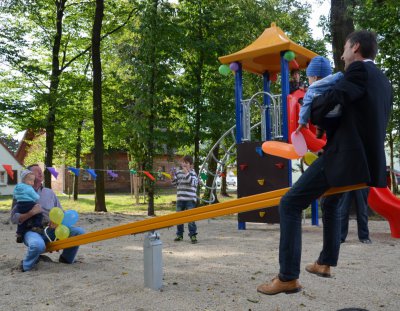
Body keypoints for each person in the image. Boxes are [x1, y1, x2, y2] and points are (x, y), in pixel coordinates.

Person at [257, 30, 392, 295]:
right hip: (364, 163)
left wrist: (314, 110)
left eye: (344, 47)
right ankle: (324, 263)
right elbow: (353, 115)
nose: (342, 53)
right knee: (330, 201)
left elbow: (332, 100)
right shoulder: (384, 81)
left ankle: (287, 277)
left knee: (290, 202)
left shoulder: (357, 73)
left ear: (355, 48)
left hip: (345, 157)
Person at [11, 164, 85, 272]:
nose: (41, 173)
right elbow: (13, 218)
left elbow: (61, 213)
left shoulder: (49, 192)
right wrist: (30, 213)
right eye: (36, 171)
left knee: (79, 232)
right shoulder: (20, 193)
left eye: (41, 171)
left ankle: (66, 259)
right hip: (31, 231)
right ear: (28, 175)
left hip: (52, 230)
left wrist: (57, 222)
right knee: (37, 246)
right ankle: (25, 266)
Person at [295, 56, 344, 139]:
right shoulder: (337, 82)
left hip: (325, 117)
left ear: (314, 77)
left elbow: (305, 106)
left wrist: (302, 121)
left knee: (312, 110)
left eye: (309, 78)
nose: (308, 81)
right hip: (338, 115)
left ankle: (320, 129)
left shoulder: (312, 89)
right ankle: (321, 130)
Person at [171, 155, 199, 244]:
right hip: (180, 199)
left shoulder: (193, 173)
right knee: (179, 218)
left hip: (190, 200)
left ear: (190, 165)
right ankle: (179, 234)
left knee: (191, 218)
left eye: (186, 163)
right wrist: (172, 177)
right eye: (183, 162)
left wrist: (187, 173)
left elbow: (192, 183)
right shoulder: (179, 173)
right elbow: (175, 184)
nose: (184, 164)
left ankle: (193, 235)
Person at [14, 170, 43, 243]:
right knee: (39, 213)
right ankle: (36, 226)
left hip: (20, 204)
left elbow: (15, 195)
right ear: (24, 179)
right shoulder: (29, 188)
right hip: (28, 203)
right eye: (30, 180)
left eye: (33, 180)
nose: (32, 183)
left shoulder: (17, 186)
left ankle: (19, 233)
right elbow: (35, 196)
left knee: (23, 220)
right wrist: (37, 197)